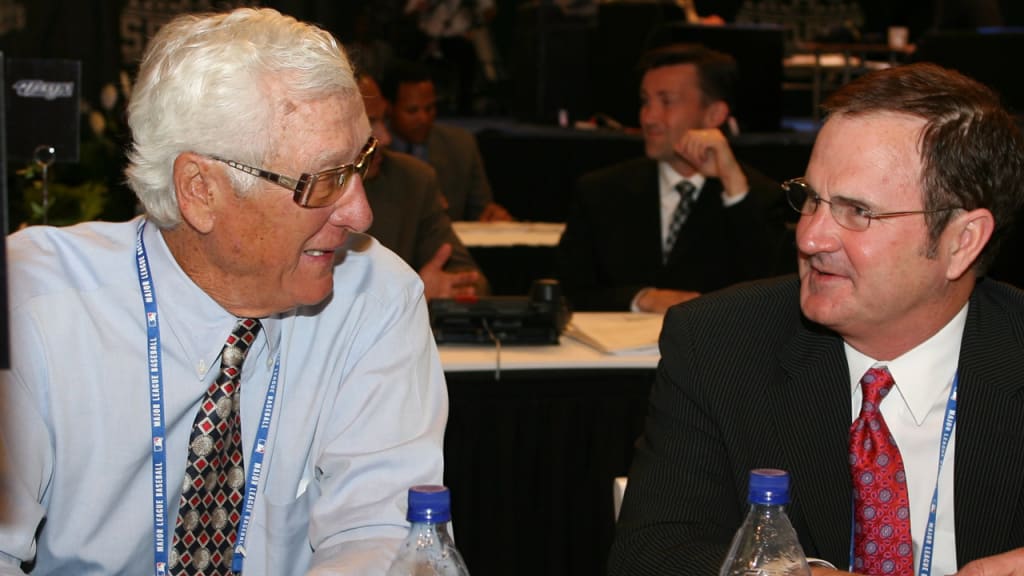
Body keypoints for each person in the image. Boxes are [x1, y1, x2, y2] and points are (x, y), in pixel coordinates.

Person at [0, 8, 446, 575]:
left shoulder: (376, 299)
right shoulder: (31, 304)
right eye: (324, 180)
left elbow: (382, 532)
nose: (360, 212)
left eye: (361, 164)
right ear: (199, 191)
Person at [607, 62, 1024, 575]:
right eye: (810, 199)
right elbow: (651, 556)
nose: (809, 238)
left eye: (857, 212)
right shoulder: (719, 344)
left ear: (961, 242)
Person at [556, 43, 792, 313]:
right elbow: (566, 292)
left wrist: (734, 187)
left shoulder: (756, 195)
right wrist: (641, 298)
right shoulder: (600, 191)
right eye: (645, 101)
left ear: (714, 114)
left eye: (666, 101)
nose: (649, 117)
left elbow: (774, 294)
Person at [359, 73, 488, 299]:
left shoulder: (413, 181)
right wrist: (412, 294)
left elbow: (471, 280)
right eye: (370, 123)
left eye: (383, 120)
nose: (385, 138)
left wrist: (452, 288)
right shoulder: (297, 193)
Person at [381, 60, 513, 222]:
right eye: (412, 110)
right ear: (388, 108)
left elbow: (481, 210)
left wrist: (492, 217)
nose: (423, 118)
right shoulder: (375, 149)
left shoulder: (460, 145)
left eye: (429, 108)